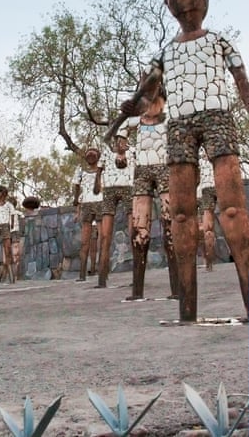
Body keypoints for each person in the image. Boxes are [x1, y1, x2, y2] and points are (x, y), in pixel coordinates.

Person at [119, 0, 249, 322]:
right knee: (181, 213)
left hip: (217, 117)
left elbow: (242, 82)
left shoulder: (220, 42)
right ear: (170, 8)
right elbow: (147, 97)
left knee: (231, 207)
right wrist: (133, 106)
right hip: (179, 125)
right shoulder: (165, 54)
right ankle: (187, 308)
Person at [123, 93, 178, 299]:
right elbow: (120, 134)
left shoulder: (171, 120)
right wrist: (121, 152)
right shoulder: (134, 122)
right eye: (147, 100)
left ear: (163, 102)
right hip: (141, 172)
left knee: (170, 227)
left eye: (156, 100)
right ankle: (137, 290)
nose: (151, 105)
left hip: (165, 169)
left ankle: (177, 288)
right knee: (140, 230)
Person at [95, 136, 134, 288]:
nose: (120, 144)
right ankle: (102, 278)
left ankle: (137, 277)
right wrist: (98, 184)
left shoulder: (133, 153)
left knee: (133, 232)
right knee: (105, 236)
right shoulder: (106, 155)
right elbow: (98, 172)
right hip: (110, 190)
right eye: (118, 141)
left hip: (128, 188)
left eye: (123, 141)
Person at [72, 148, 102, 282]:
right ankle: (82, 273)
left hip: (99, 203)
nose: (90, 156)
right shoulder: (80, 172)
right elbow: (77, 187)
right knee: (85, 241)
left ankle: (101, 271)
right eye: (88, 154)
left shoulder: (102, 171)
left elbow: (98, 189)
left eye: (93, 154)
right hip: (87, 205)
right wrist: (77, 202)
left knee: (103, 238)